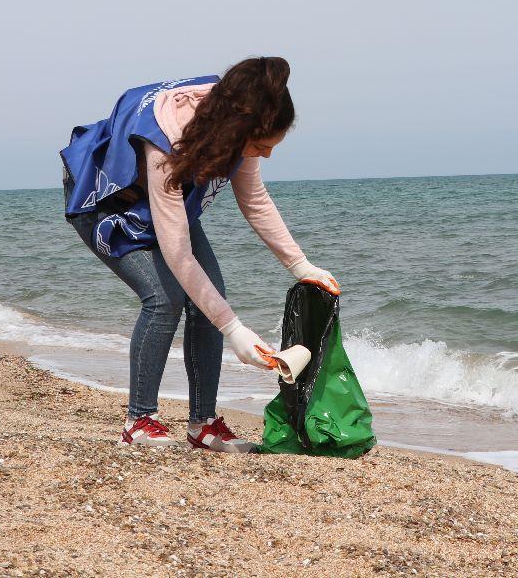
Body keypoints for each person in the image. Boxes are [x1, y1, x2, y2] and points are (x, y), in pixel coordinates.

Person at [60, 56, 340, 452]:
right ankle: (139, 421)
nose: (266, 155)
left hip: (161, 198)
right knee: (164, 299)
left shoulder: (236, 121)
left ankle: (202, 425)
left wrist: (302, 266)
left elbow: (255, 201)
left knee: (211, 301)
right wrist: (234, 330)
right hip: (105, 197)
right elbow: (177, 252)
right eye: (261, 146)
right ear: (239, 129)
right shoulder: (166, 138)